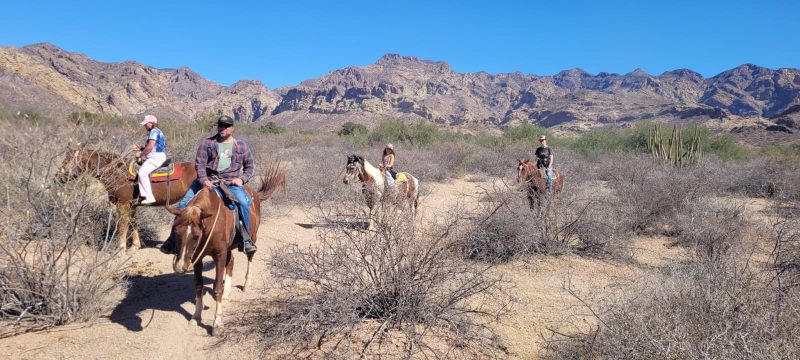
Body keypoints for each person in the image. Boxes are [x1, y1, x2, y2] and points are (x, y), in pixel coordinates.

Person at [161, 115, 257, 254]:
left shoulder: (241, 146)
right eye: (220, 125)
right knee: (182, 206)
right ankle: (171, 240)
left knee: (242, 203)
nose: (222, 128)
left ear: (232, 128)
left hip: (230, 182)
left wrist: (241, 180)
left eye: (226, 126)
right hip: (208, 180)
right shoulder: (207, 143)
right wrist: (203, 179)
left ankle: (245, 238)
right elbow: (200, 164)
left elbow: (249, 166)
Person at [134, 115, 167, 205]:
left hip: (156, 158)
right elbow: (150, 148)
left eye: (146, 123)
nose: (145, 125)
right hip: (155, 156)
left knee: (142, 173)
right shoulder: (155, 132)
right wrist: (140, 148)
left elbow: (150, 147)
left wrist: (140, 154)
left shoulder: (154, 131)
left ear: (152, 123)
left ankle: (149, 197)